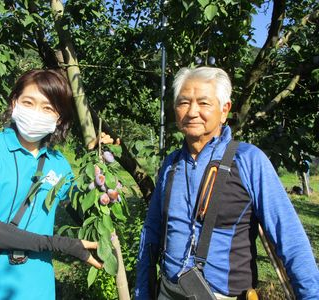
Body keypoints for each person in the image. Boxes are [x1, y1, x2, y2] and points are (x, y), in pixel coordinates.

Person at [135, 67, 319, 299]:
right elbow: (151, 233)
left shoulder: (248, 161)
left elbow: (289, 237)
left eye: (203, 103)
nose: (192, 112)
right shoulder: (171, 165)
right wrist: (142, 292)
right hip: (169, 291)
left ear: (224, 110)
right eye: (183, 102)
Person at [0, 69, 103, 299]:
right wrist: (60, 244)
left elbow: (85, 211)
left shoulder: (59, 164)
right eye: (29, 102)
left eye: (48, 108)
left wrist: (100, 168)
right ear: (14, 102)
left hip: (36, 290)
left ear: (59, 118)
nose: (37, 113)